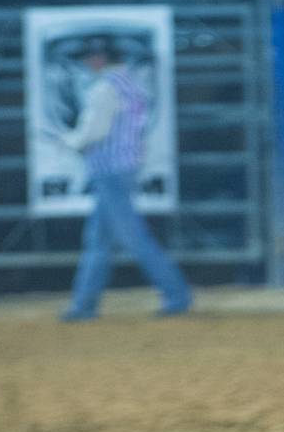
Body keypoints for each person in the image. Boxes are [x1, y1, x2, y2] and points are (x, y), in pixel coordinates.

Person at [57, 37, 191, 322]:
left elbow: (94, 131)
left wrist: (69, 141)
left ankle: (177, 295)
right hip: (123, 167)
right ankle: (84, 304)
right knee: (99, 240)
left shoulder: (105, 88)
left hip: (109, 170)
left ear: (98, 59)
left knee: (131, 238)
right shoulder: (130, 84)